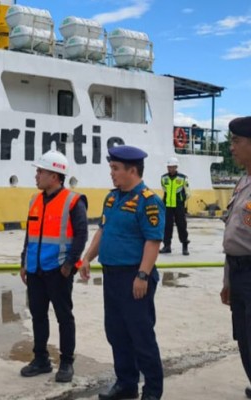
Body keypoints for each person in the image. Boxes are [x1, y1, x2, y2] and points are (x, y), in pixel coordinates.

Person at [79, 145, 165, 400]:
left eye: (116, 169)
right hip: (112, 276)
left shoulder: (149, 200)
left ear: (132, 170)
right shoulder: (112, 198)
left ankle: (152, 391)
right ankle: (126, 384)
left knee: (141, 336)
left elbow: (153, 241)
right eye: (111, 168)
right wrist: (87, 258)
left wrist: (143, 275)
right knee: (116, 332)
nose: (112, 173)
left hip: (134, 277)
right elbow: (102, 231)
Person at [19, 150, 88, 383]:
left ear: (55, 176)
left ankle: (66, 362)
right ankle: (41, 359)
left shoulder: (73, 201)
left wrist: (70, 264)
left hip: (58, 271)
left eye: (40, 171)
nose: (36, 175)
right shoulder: (35, 200)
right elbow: (30, 234)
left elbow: (81, 234)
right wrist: (23, 262)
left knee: (64, 317)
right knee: (38, 316)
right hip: (36, 270)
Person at [220, 116, 251, 399]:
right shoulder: (243, 182)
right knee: (243, 337)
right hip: (239, 272)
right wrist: (227, 280)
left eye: (237, 141)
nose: (232, 147)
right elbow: (233, 235)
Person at [159, 156, 190, 255]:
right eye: (168, 167)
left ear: (176, 167)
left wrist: (181, 200)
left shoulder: (182, 178)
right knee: (167, 227)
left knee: (182, 226)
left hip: (179, 206)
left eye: (172, 167)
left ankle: (185, 246)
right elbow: (164, 190)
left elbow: (188, 192)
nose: (170, 168)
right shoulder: (164, 178)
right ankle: (167, 246)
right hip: (167, 205)